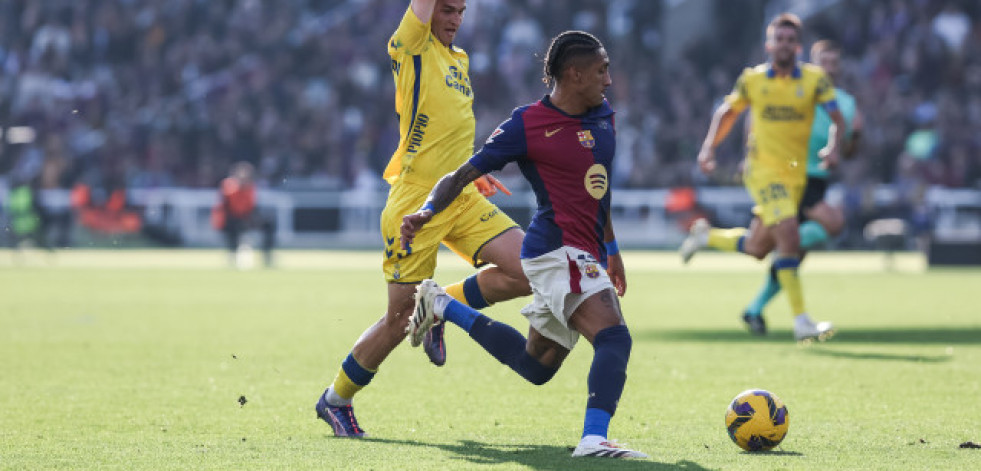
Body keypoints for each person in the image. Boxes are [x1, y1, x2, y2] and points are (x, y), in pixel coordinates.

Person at [401, 31, 647, 459]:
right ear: (574, 74)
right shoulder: (527, 124)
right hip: (557, 249)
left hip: (583, 249)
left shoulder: (603, 115)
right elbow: (462, 173)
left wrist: (612, 249)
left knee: (535, 367)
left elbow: (597, 189)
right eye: (602, 70)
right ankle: (593, 438)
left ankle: (441, 305)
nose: (609, 80)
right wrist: (426, 209)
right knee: (614, 338)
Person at [314, 0, 530, 438]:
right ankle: (335, 399)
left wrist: (470, 172)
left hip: (461, 195)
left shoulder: (460, 59)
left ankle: (438, 305)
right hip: (416, 203)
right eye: (445, 10)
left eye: (460, 12)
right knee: (397, 320)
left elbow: (448, 126)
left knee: (531, 269)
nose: (453, 18)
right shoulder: (413, 44)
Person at [678, 13, 847, 342]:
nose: (783, 45)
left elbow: (837, 118)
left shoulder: (815, 80)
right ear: (768, 44)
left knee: (758, 247)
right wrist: (708, 148)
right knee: (790, 238)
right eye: (777, 39)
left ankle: (705, 237)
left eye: (789, 40)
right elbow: (728, 112)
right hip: (763, 171)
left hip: (795, 174)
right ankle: (801, 322)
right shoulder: (753, 80)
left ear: (798, 47)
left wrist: (833, 147)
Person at [740, 39, 864, 335]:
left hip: (817, 179)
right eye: (824, 62)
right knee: (832, 223)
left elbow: (851, 146)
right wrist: (751, 154)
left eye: (835, 63)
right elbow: (757, 118)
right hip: (790, 174)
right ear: (811, 62)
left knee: (777, 250)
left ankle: (754, 309)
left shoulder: (845, 103)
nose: (830, 69)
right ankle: (799, 320)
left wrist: (849, 142)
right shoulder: (798, 91)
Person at [211, 161, 275, 269]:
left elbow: (251, 206)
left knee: (269, 223)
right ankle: (232, 254)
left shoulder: (251, 187)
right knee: (233, 226)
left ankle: (266, 254)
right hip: (231, 218)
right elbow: (227, 207)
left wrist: (253, 218)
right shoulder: (229, 186)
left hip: (246, 217)